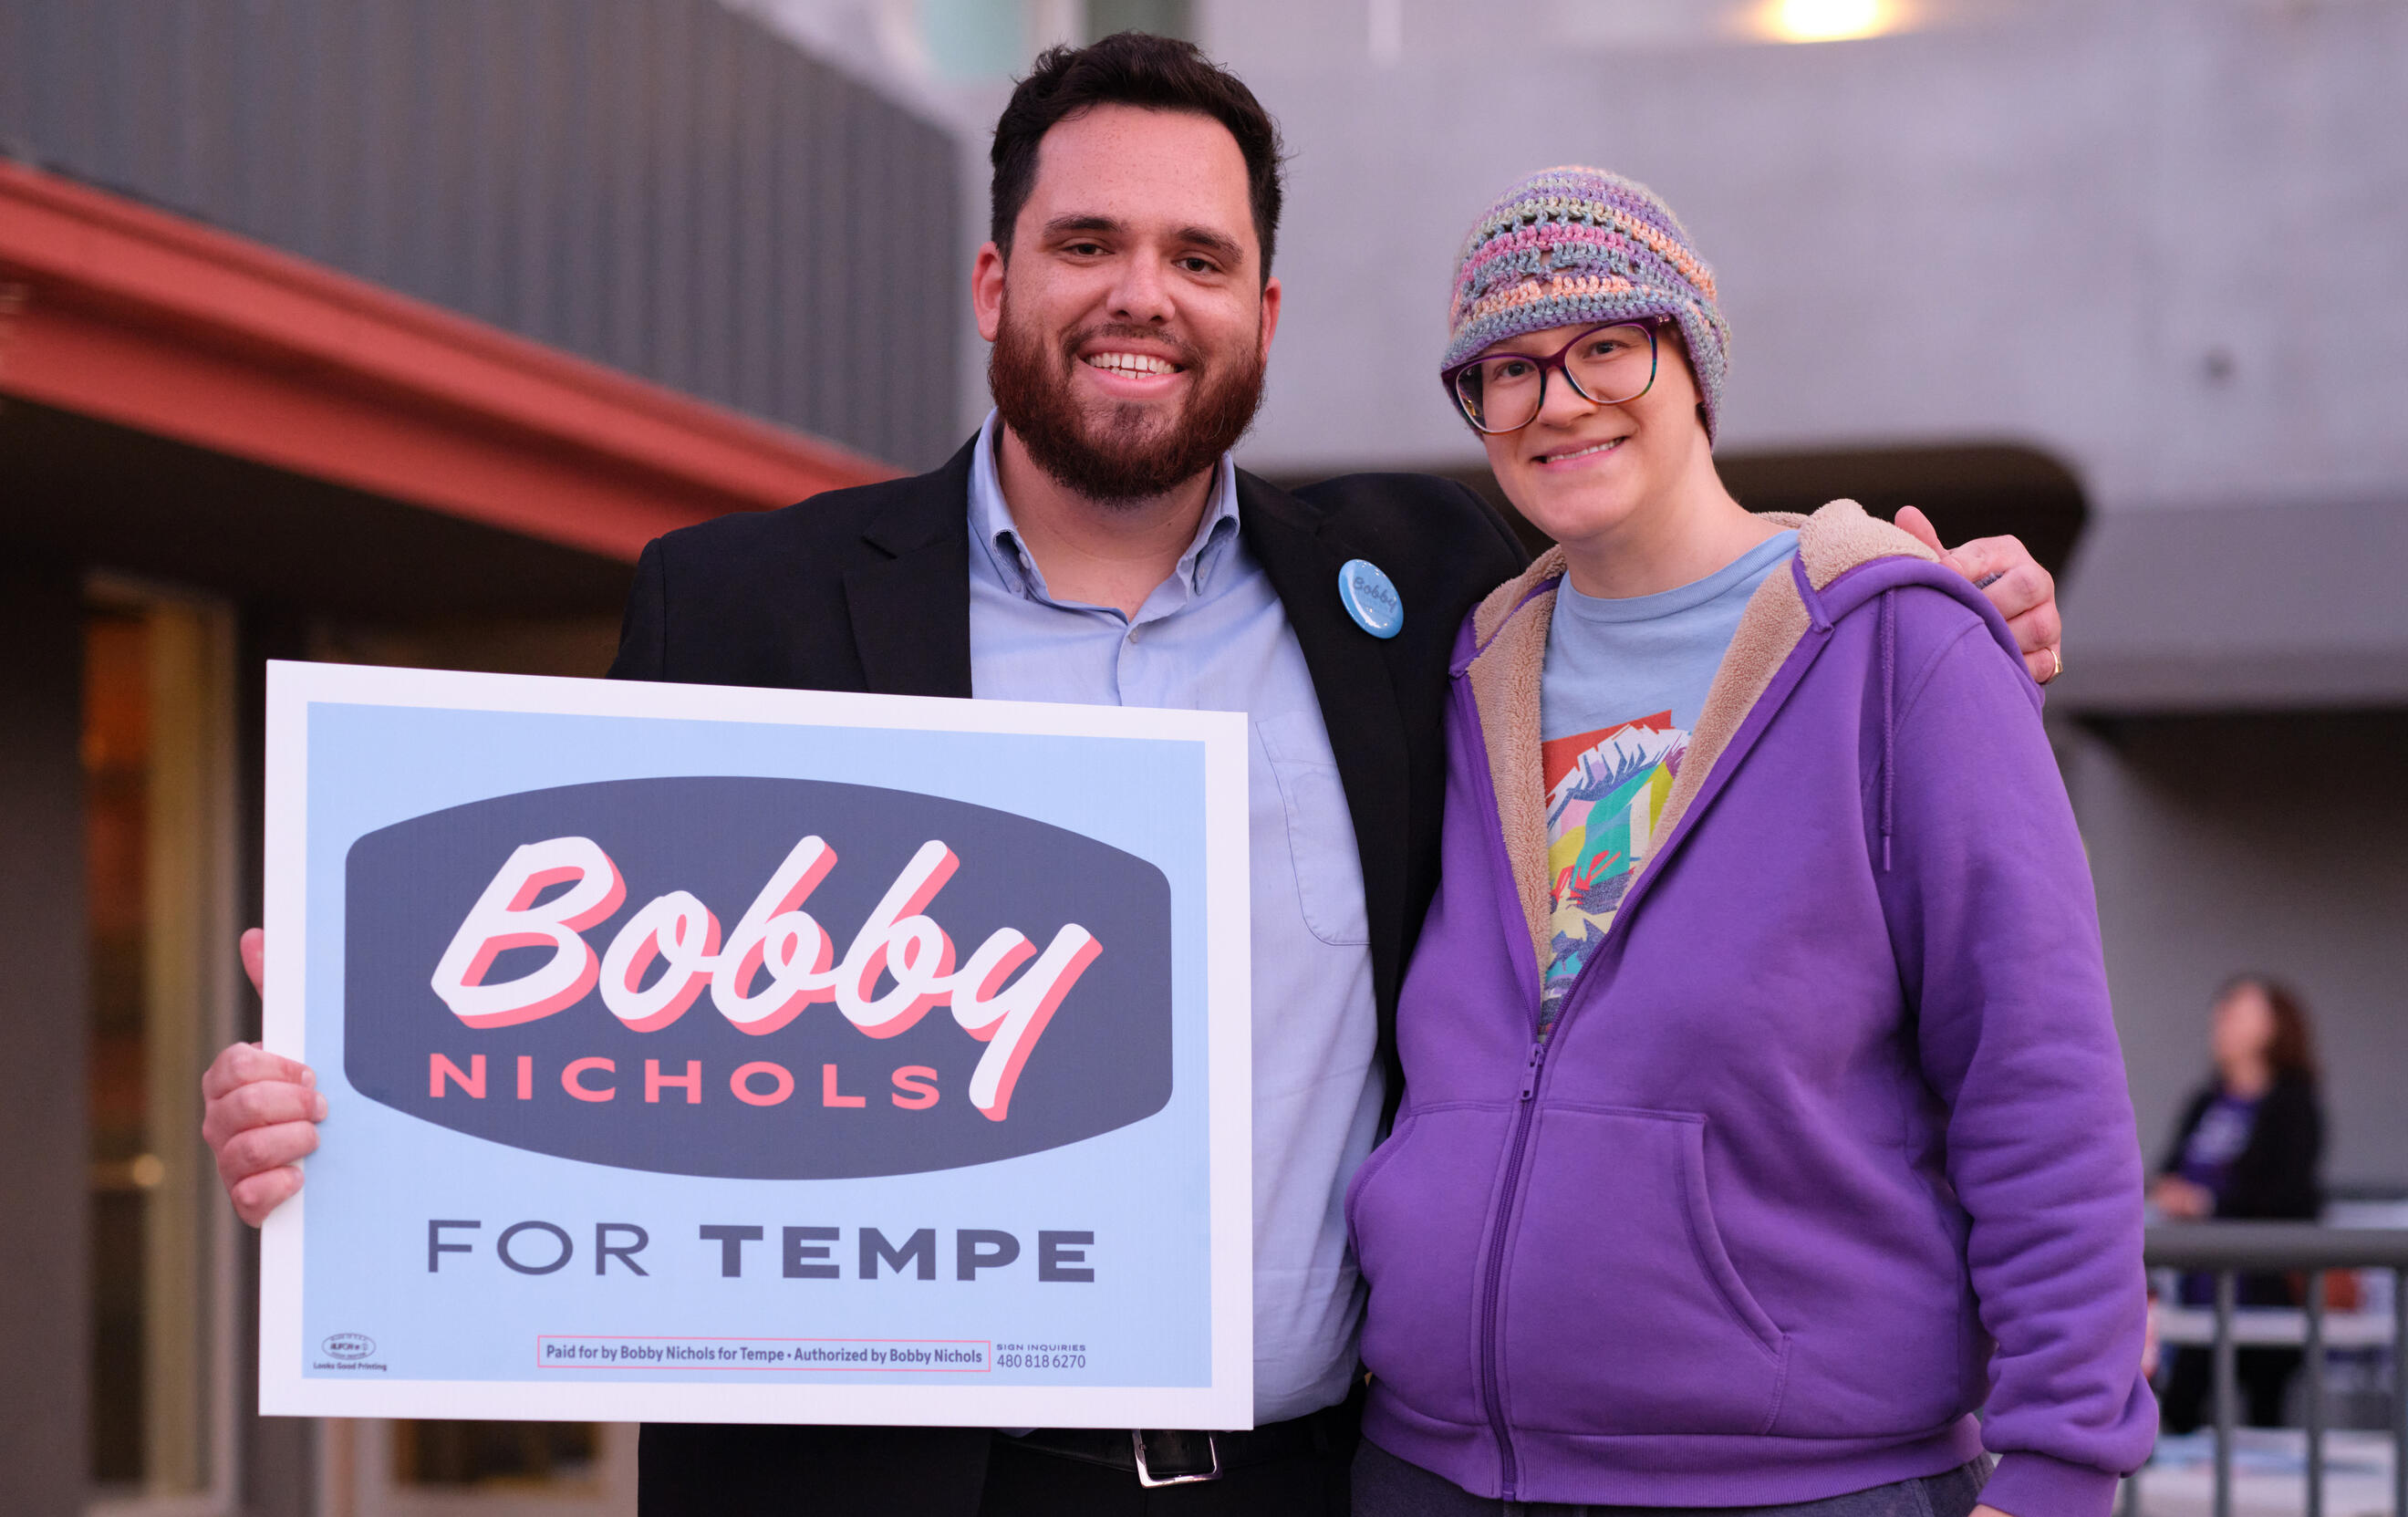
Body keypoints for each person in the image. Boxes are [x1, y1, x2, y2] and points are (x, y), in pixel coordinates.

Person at [195, 40, 2066, 1516]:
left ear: (1267, 307)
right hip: (859, 1487)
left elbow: (1694, 579)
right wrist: (338, 1112)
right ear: (1000, 275)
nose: (1141, 297)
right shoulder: (740, 601)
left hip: (1310, 1484)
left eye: (1201, 257)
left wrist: (1923, 591)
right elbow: (583, 1023)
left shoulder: (1426, 596)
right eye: (1090, 245)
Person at [1341, 168, 2149, 1517]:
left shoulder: (1901, 646)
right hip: (1432, 1469)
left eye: (1608, 343)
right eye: (1506, 369)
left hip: (1796, 1482)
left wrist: (2063, 1465)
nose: (1560, 398)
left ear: (1695, 363)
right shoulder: (1466, 668)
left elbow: (2039, 1074)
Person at [2152, 975, 2325, 1432]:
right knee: (2180, 1413)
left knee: (2264, 1420)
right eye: (2221, 1010)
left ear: (2274, 1026)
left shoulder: (2293, 1103)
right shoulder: (2205, 1100)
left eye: (2238, 1010)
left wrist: (2208, 1203)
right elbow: (2170, 1166)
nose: (2222, 1019)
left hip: (2262, 1290)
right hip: (2198, 1290)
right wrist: (2170, 1192)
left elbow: (2290, 1193)